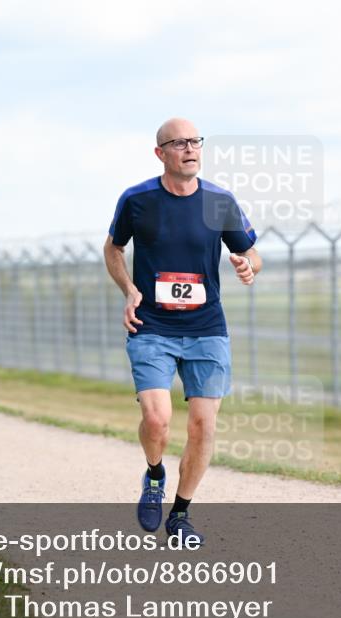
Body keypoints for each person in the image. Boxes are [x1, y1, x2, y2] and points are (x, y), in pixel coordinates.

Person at [103, 118, 262, 545]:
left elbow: (250, 252)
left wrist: (248, 266)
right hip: (151, 325)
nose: (190, 149)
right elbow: (113, 248)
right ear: (161, 153)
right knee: (156, 420)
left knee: (203, 427)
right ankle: (154, 472)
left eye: (195, 141)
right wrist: (130, 289)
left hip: (206, 328)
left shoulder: (220, 202)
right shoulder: (136, 200)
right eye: (179, 143)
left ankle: (180, 514)